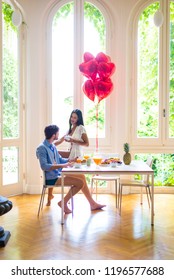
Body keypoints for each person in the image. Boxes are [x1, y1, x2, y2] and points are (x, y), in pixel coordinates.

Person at [36, 125, 105, 213]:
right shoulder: (42, 148)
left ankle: (92, 204)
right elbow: (44, 166)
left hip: (58, 174)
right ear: (54, 135)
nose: (59, 134)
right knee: (80, 183)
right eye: (58, 133)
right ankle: (63, 202)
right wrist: (63, 165)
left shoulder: (52, 145)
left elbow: (59, 159)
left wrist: (71, 160)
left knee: (81, 177)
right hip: (52, 178)